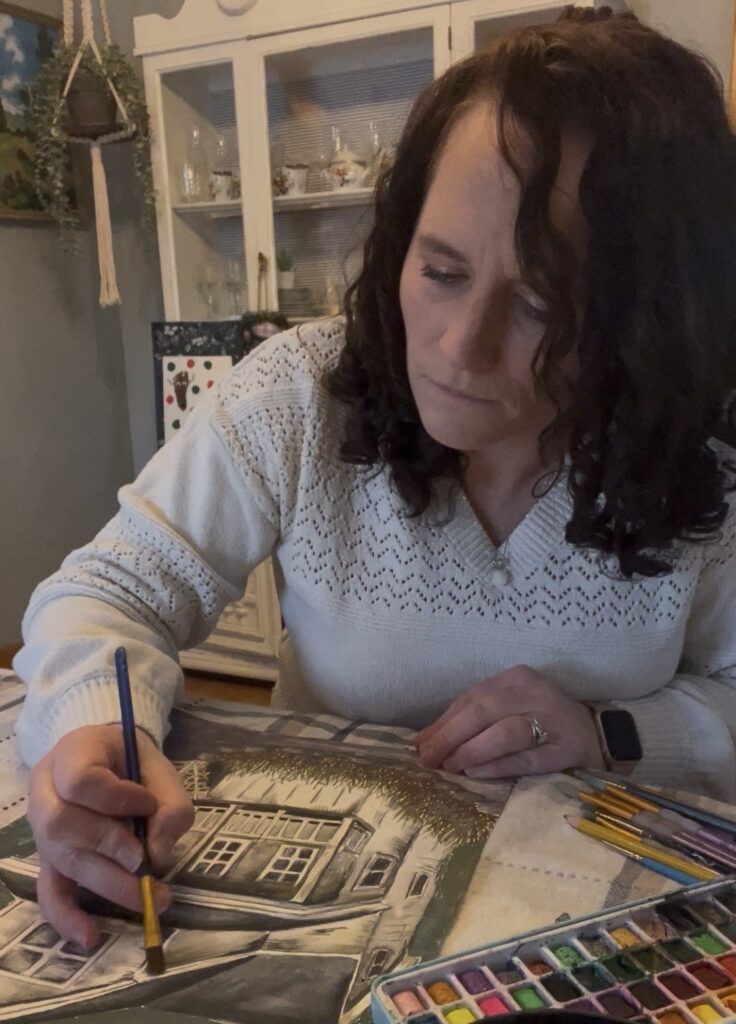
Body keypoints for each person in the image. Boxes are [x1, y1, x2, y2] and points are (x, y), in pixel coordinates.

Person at [14, 5, 736, 950]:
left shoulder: (702, 449)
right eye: (441, 271)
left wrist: (613, 734)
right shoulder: (300, 394)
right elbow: (106, 594)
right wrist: (86, 733)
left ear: (646, 319)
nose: (459, 348)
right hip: (318, 919)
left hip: (582, 930)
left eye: (539, 304)